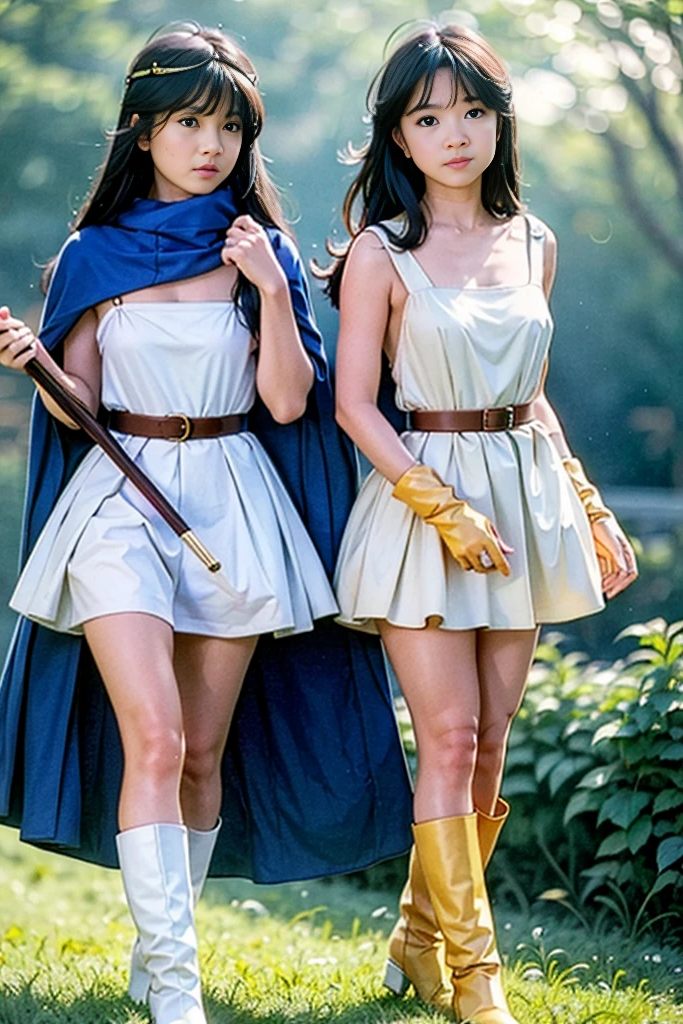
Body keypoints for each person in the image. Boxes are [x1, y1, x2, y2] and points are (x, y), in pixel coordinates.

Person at [0, 23, 412, 1024]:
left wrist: (268, 285)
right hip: (120, 506)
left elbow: (292, 405)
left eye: (227, 126)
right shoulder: (93, 254)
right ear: (142, 132)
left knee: (203, 753)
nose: (209, 145)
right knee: (158, 740)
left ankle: (155, 948)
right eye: (186, 122)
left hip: (231, 495)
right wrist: (30, 365)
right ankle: (177, 988)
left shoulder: (260, 251)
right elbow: (75, 403)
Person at [321, 22, 637, 1024]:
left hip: (526, 497)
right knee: (448, 734)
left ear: (499, 122)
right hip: (426, 500)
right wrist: (440, 507)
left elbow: (531, 395)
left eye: (471, 110)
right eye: (428, 116)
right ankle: (474, 977)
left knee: (492, 739)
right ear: (399, 137)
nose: (454, 132)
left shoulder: (535, 242)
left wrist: (591, 509)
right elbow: (354, 404)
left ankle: (417, 938)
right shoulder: (382, 251)